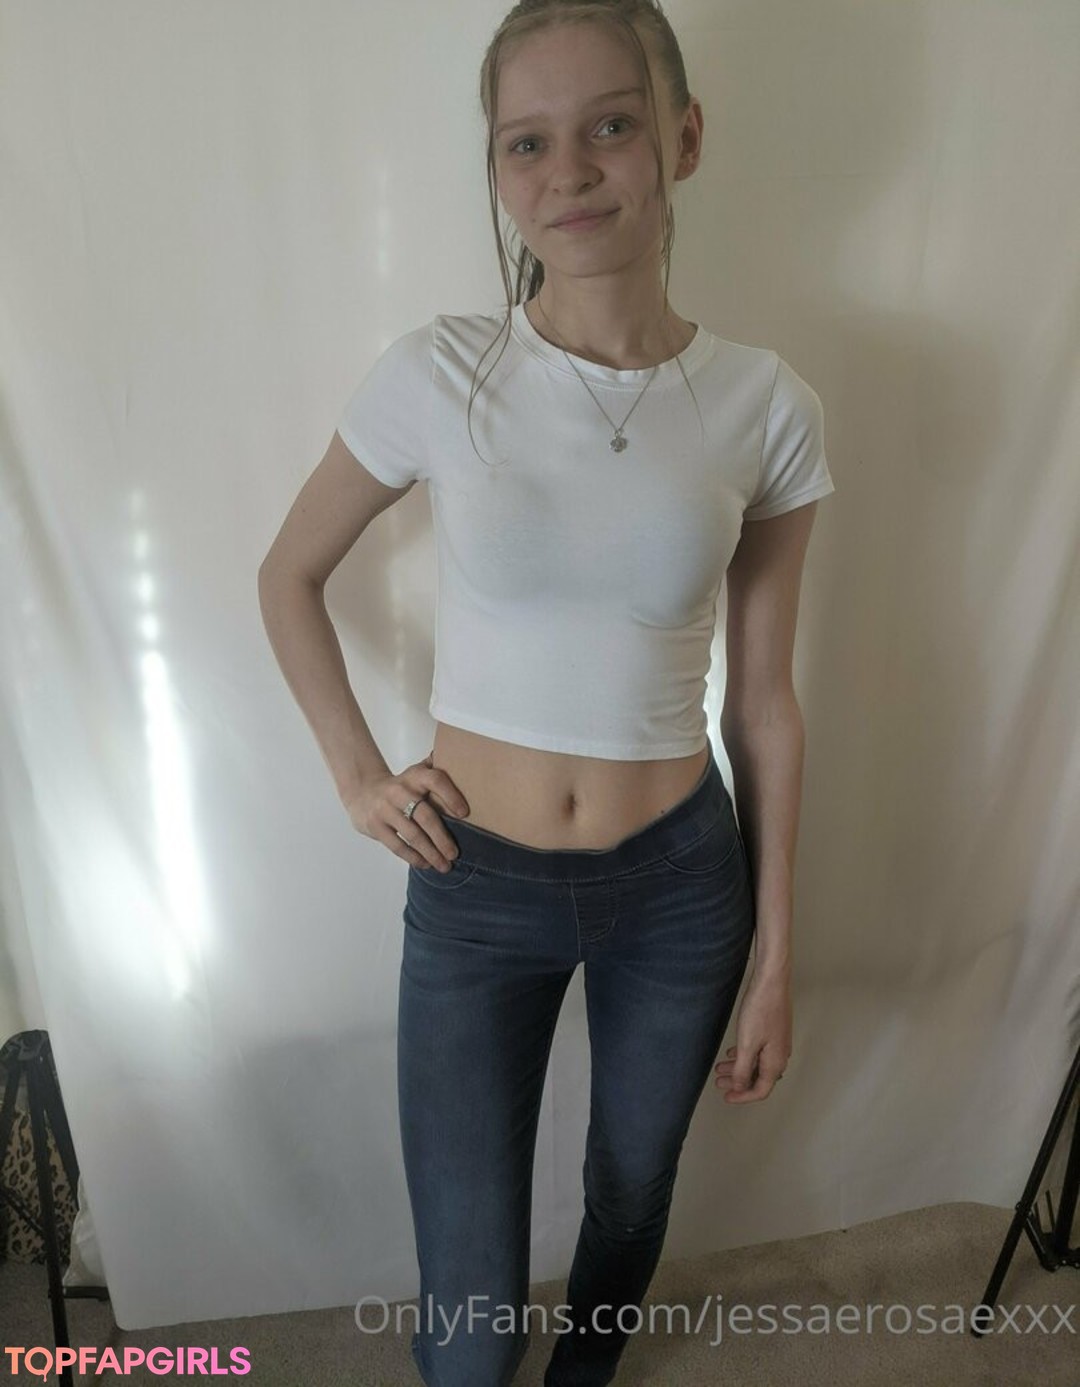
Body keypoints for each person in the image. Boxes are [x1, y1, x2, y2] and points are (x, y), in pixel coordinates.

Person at [258, 2, 836, 1382]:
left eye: (610, 126)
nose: (567, 171)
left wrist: (776, 954)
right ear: (497, 167)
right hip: (474, 886)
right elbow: (289, 575)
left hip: (683, 885)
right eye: (526, 142)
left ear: (682, 139)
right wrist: (358, 777)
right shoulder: (443, 372)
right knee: (468, 1319)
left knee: (631, 1197)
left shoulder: (767, 406)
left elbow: (763, 704)